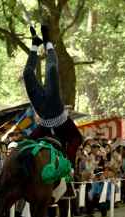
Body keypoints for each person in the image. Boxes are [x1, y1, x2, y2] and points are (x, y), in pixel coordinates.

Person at [23, 25, 83, 165]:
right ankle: (47, 43)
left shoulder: (53, 131)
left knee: (27, 74)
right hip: (55, 105)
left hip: (42, 110)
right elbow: (78, 139)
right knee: (51, 69)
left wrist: (69, 160)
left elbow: (77, 140)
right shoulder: (66, 127)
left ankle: (35, 45)